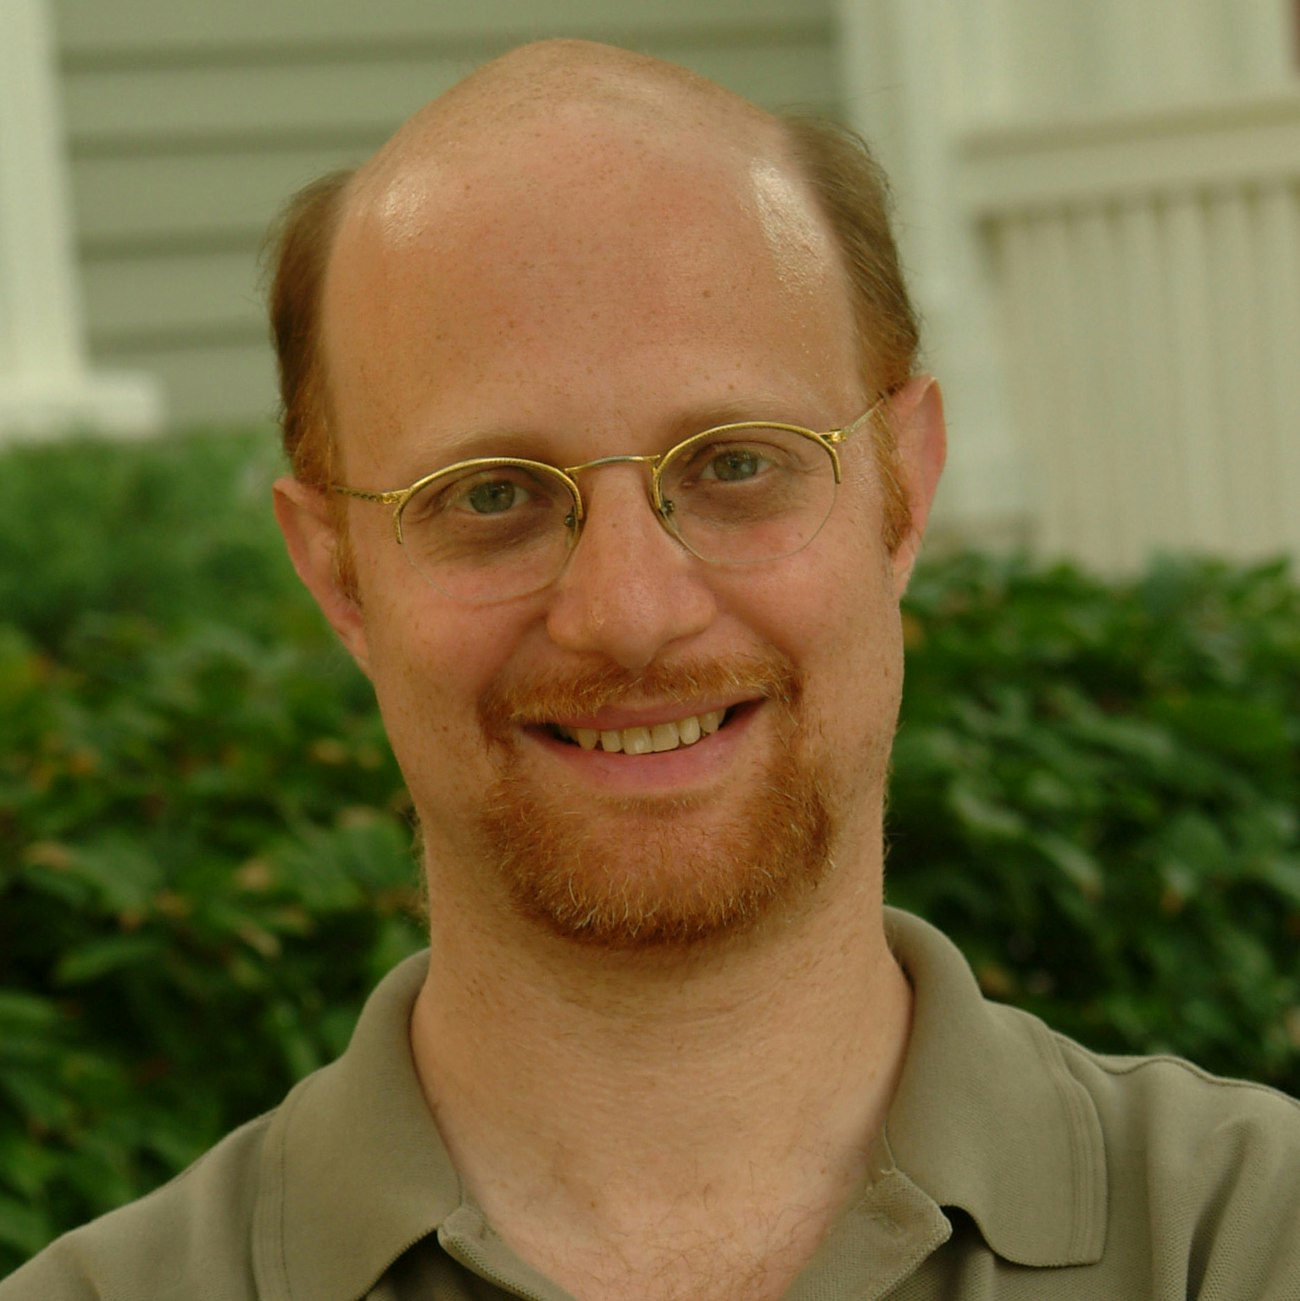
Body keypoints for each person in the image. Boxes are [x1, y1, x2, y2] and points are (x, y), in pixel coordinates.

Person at [6, 37, 1299, 1301]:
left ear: (902, 494)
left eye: (737, 462)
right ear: (338, 570)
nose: (628, 611)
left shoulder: (1250, 1242)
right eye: (492, 493)